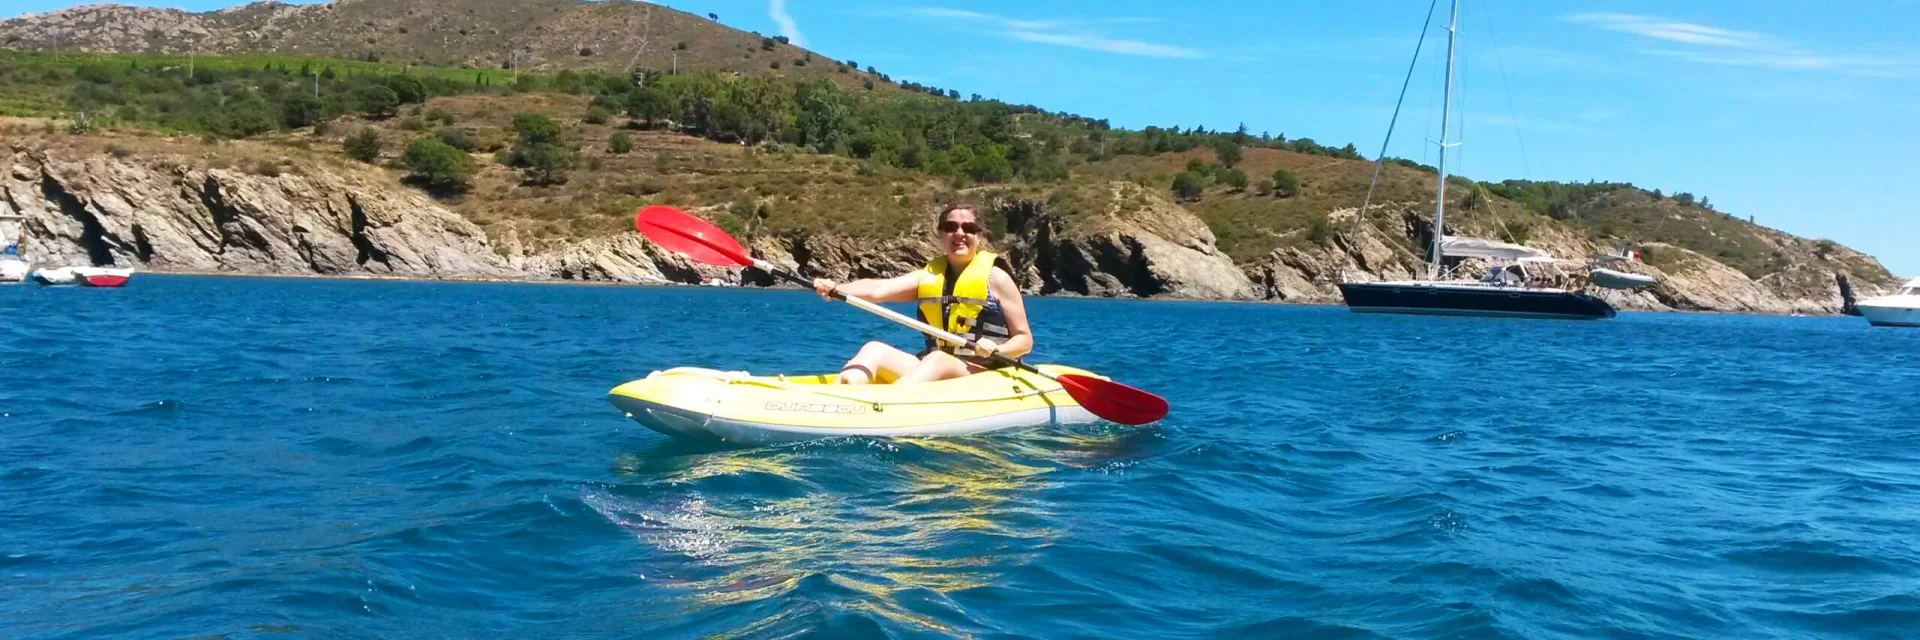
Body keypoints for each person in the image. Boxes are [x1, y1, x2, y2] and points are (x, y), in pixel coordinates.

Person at [811, 203, 1033, 384]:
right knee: (874, 349)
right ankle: (843, 392)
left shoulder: (998, 279)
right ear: (941, 234)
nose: (959, 233)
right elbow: (879, 289)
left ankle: (888, 405)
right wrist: (837, 289)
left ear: (979, 236)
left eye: (968, 228)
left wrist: (998, 348)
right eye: (951, 227)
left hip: (982, 372)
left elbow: (1024, 340)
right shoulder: (927, 277)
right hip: (933, 366)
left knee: (938, 360)